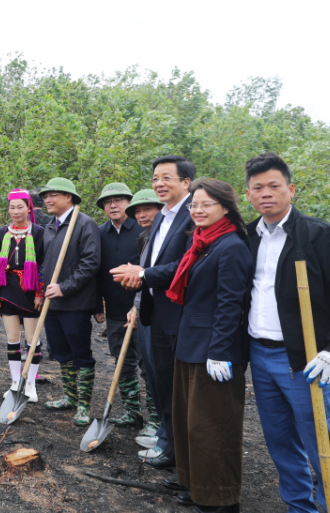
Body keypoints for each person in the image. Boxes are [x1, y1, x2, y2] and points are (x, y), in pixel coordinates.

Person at [244, 153, 330, 512]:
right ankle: (299, 506)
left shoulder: (321, 236)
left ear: (291, 189)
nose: (266, 193)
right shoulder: (247, 237)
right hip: (260, 353)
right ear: (249, 194)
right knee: (279, 440)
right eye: (258, 188)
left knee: (320, 440)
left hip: (306, 358)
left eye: (274, 185)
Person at [167, 178, 251, 513]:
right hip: (191, 344)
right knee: (189, 423)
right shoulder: (202, 242)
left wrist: (220, 350)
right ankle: (197, 485)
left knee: (213, 427)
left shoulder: (231, 246)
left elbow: (231, 303)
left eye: (206, 205)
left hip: (214, 351)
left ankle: (221, 497)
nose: (198, 211)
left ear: (226, 208)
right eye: (194, 205)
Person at [112, 155, 196, 468]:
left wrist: (143, 274)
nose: (159, 184)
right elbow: (151, 262)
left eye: (166, 178)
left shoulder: (193, 216)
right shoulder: (163, 216)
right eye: (155, 179)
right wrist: (138, 281)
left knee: (176, 385)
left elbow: (185, 266)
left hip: (178, 315)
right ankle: (168, 443)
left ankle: (178, 452)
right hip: (152, 312)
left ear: (186, 182)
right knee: (160, 381)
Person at [38, 178, 101, 426]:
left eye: (53, 195)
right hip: (52, 304)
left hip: (75, 303)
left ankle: (84, 406)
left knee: (81, 354)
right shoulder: (50, 227)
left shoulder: (85, 224)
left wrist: (64, 288)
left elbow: (90, 264)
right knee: (61, 353)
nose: (47, 200)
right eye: (45, 196)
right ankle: (70, 398)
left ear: (69, 197)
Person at [93, 183, 143, 427]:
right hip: (113, 309)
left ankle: (156, 418)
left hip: (143, 309)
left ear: (129, 203)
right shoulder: (99, 233)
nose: (113, 205)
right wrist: (97, 304)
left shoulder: (143, 229)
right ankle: (133, 412)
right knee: (122, 362)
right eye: (108, 202)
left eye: (119, 200)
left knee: (148, 363)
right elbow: (96, 271)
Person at [0, 189, 45, 401]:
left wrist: (40, 293)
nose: (15, 211)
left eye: (20, 207)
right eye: (12, 207)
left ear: (28, 208)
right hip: (7, 287)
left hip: (31, 289)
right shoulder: (1, 232)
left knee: (32, 339)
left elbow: (42, 264)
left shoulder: (39, 232)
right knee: (12, 338)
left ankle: (30, 384)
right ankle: (15, 382)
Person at [123, 189, 165, 449]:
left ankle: (162, 425)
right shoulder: (143, 238)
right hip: (144, 310)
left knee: (160, 371)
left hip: (164, 315)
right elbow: (142, 278)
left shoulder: (169, 237)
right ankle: (155, 422)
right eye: (138, 211)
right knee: (146, 367)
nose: (142, 215)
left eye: (147, 209)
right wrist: (135, 306)